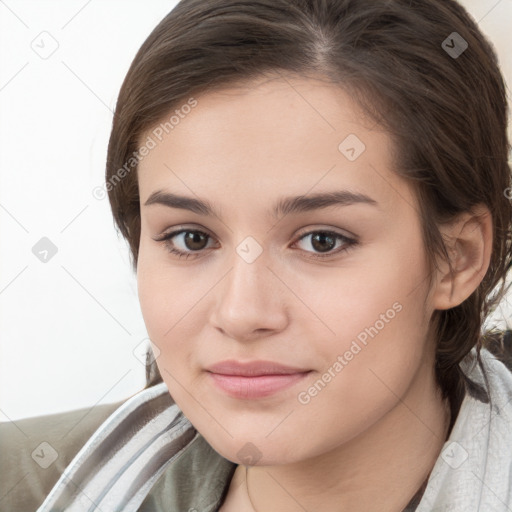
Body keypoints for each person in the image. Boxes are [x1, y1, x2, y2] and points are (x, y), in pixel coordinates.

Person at [1, 0, 511, 511]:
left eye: (321, 241)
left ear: (457, 258)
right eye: (191, 238)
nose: (241, 314)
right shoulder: (24, 485)